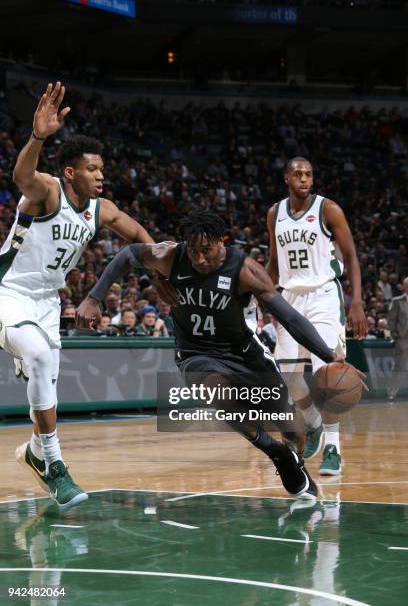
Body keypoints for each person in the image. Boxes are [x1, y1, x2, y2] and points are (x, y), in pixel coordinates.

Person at [77, 210, 347, 501]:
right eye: (193, 251)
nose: (199, 259)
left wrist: (329, 355)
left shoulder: (245, 270)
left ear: (222, 241)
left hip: (245, 355)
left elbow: (291, 318)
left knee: (293, 429)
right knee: (217, 391)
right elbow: (129, 254)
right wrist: (94, 297)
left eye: (206, 250)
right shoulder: (170, 256)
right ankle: (276, 453)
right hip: (197, 353)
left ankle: (295, 463)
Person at [2, 82, 175, 512]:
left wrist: (160, 274)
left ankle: (37, 455)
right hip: (8, 291)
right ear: (71, 172)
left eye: (103, 169)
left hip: (46, 301)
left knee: (46, 386)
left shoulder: (101, 209)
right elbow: (21, 176)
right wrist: (38, 137)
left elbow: (137, 235)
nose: (102, 175)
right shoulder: (47, 191)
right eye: (94, 169)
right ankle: (57, 465)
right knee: (39, 359)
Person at [267, 157, 367, 476]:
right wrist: (260, 295)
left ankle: (334, 449)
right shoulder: (275, 214)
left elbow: (351, 257)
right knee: (288, 376)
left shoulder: (328, 209)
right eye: (298, 174)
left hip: (323, 294)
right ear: (286, 178)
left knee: (327, 374)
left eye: (309, 174)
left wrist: (358, 302)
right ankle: (313, 426)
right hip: (289, 298)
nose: (304, 179)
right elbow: (274, 261)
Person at [387, 277, 408, 400]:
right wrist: (396, 335)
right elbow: (391, 319)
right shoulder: (397, 301)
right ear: (404, 287)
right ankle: (392, 392)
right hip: (403, 339)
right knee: (399, 366)